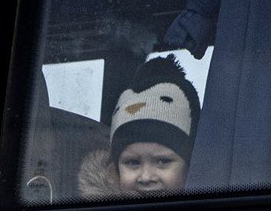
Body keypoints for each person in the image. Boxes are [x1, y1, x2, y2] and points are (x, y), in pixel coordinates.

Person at [77, 54, 201, 198]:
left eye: (163, 161)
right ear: (114, 172)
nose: (146, 177)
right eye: (133, 162)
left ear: (191, 166)